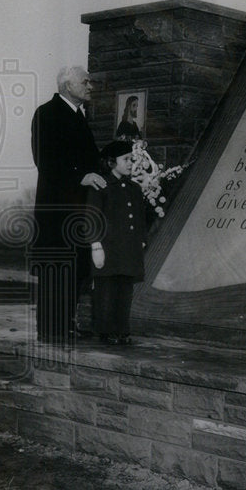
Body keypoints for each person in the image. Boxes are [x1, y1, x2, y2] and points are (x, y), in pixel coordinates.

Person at [30, 66, 105, 344]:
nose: (91, 86)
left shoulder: (78, 116)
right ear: (67, 85)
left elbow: (90, 159)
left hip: (78, 209)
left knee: (76, 269)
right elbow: (46, 161)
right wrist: (81, 176)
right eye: (85, 82)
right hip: (56, 210)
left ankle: (67, 325)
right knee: (55, 268)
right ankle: (50, 330)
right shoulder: (47, 114)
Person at [86, 140, 147, 345]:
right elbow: (92, 217)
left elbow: (139, 218)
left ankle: (122, 330)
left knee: (124, 290)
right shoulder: (102, 186)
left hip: (128, 250)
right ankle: (105, 330)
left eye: (131, 159)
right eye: (126, 159)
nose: (131, 163)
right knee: (106, 291)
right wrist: (95, 245)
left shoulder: (134, 188)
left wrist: (142, 241)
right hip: (108, 249)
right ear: (112, 162)